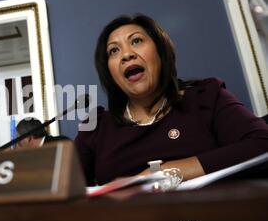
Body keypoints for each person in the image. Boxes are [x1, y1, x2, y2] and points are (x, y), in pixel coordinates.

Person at [75, 14, 268, 186]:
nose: (126, 54)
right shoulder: (96, 127)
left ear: (161, 51)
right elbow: (60, 189)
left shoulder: (206, 97)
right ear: (109, 72)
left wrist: (169, 173)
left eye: (136, 41)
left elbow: (262, 143)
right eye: (114, 51)